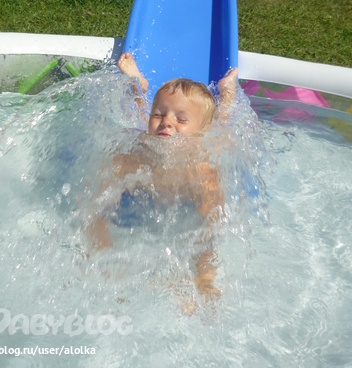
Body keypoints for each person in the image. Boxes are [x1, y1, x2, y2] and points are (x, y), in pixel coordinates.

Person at [85, 52, 239, 305]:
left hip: (203, 147)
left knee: (223, 128)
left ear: (199, 132)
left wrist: (205, 278)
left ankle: (228, 94)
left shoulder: (201, 169)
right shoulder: (134, 155)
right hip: (148, 148)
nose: (166, 122)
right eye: (158, 114)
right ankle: (138, 87)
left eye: (181, 119)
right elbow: (93, 207)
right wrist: (103, 254)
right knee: (135, 119)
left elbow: (211, 229)